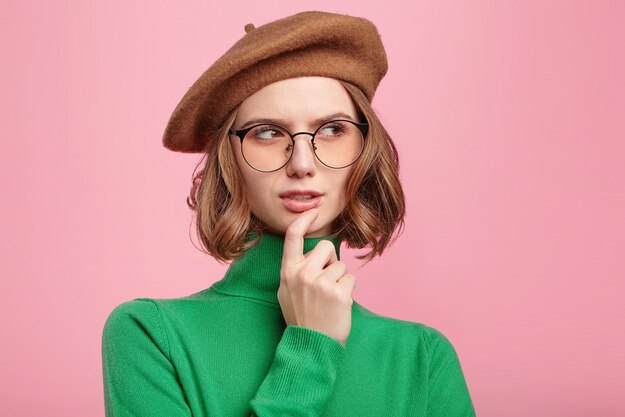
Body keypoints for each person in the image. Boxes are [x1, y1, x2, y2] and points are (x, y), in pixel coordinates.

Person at [101, 10, 476, 417]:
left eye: (332, 130)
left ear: (364, 150)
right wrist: (310, 347)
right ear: (231, 162)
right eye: (267, 132)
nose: (301, 162)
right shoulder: (150, 334)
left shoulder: (421, 358)